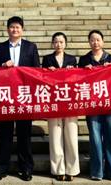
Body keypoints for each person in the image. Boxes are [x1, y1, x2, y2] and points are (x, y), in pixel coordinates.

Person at [0, 16, 40, 182]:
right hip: (5, 97)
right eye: (12, 27)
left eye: (18, 27)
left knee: (24, 136)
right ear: (7, 30)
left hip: (24, 97)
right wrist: (3, 66)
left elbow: (37, 70)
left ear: (22, 30)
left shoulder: (31, 47)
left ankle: (26, 168)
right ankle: (1, 168)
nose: (14, 30)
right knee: (4, 135)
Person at [78, 30, 111, 181]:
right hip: (92, 103)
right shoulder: (84, 59)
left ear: (103, 41)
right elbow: (78, 80)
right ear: (89, 42)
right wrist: (84, 71)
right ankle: (97, 172)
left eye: (98, 39)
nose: (95, 42)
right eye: (92, 40)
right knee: (95, 137)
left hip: (110, 103)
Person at [42, 32, 79, 182]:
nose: (59, 44)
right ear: (52, 44)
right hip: (53, 101)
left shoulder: (72, 59)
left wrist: (72, 70)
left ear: (65, 43)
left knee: (71, 135)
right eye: (56, 42)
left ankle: (72, 169)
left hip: (69, 101)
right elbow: (41, 78)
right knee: (55, 136)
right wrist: (47, 72)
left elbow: (78, 78)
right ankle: (58, 169)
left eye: (61, 42)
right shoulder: (47, 59)